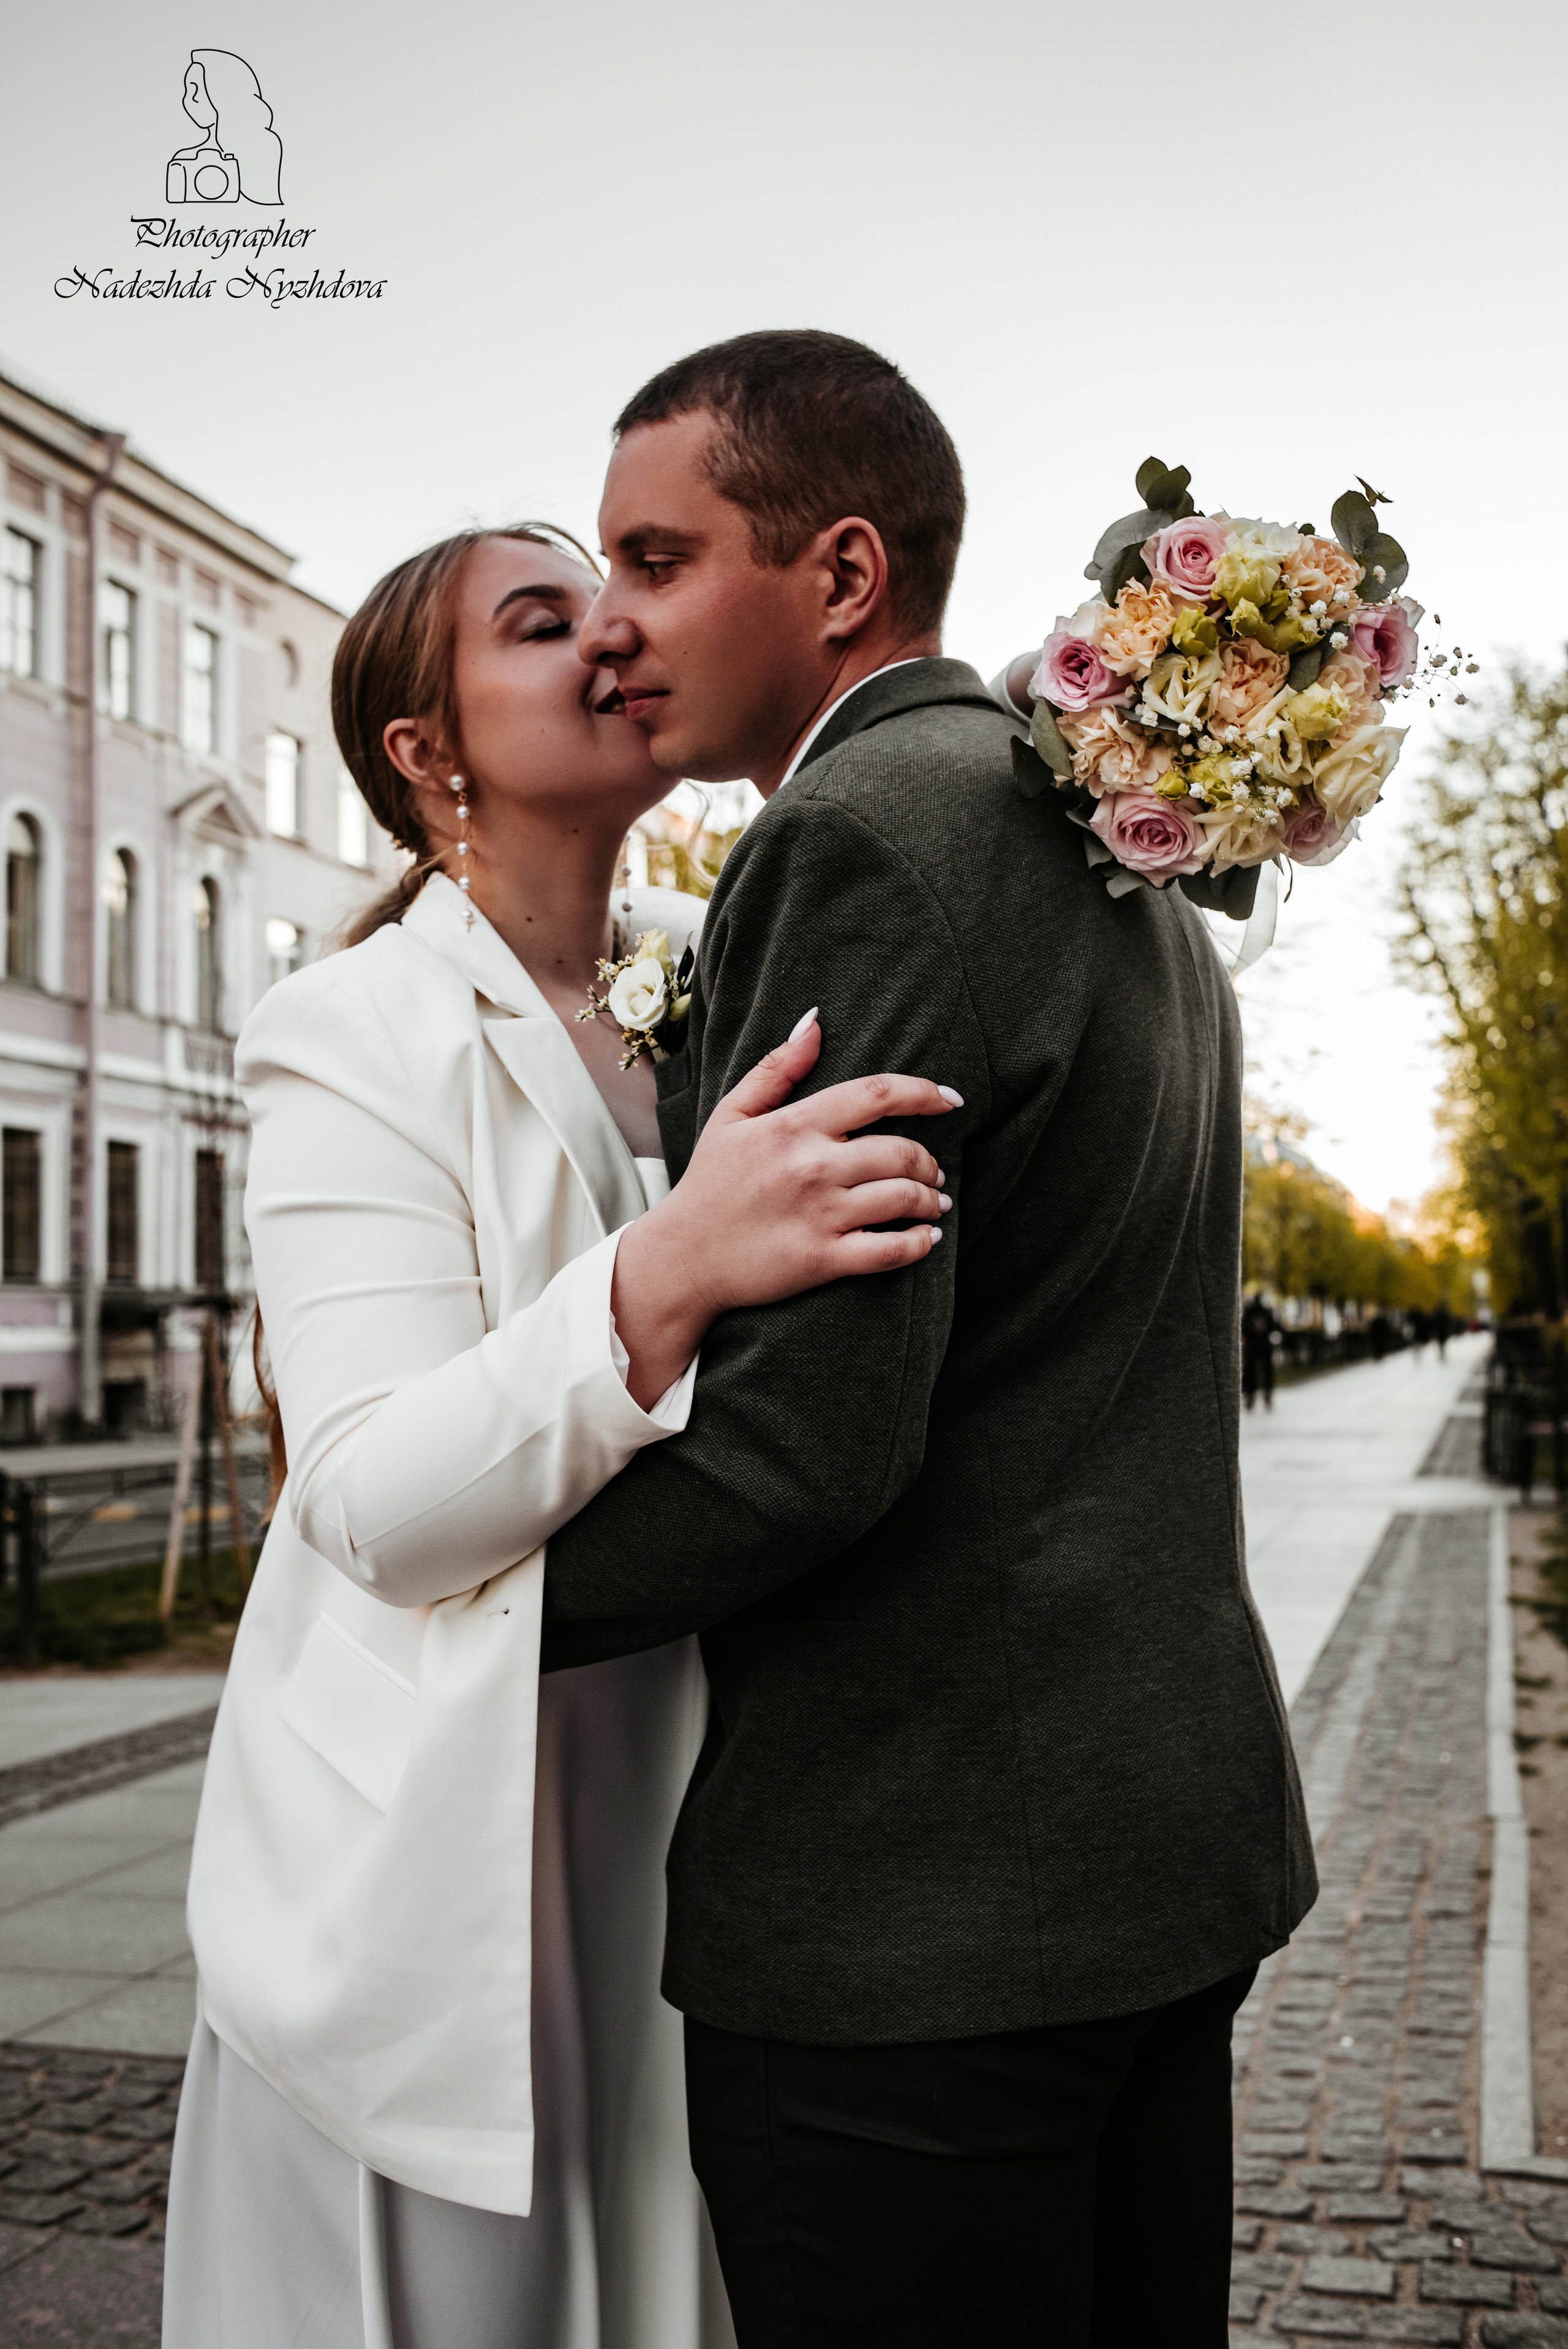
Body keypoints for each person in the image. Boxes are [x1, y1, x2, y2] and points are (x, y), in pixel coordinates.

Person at [540, 331, 1317, 2347]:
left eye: (657, 552)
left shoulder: (866, 834)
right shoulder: (1119, 838)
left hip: (925, 1917)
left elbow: (806, 1445)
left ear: (843, 574)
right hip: (1158, 1849)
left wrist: (424, 1582)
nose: (613, 617)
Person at [162, 521, 959, 2349]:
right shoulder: (345, 1028)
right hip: (439, 1838)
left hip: (685, 1806)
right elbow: (370, 1500)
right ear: (425, 750)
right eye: (542, 623)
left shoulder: (716, 971)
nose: (611, 638)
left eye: (612, 606)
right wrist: (666, 1267)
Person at [1242, 1292, 1280, 1412]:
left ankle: (1252, 1398)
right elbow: (1274, 1326)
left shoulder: (1250, 1312)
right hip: (1260, 1345)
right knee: (1262, 1372)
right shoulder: (1265, 1311)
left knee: (1251, 1372)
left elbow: (1243, 1327)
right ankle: (1262, 1397)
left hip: (1255, 1346)